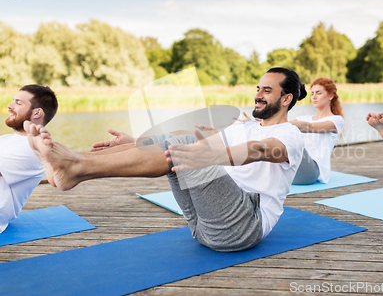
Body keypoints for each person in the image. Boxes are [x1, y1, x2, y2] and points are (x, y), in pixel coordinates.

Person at [25, 68, 306, 252]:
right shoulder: (242, 126)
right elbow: (188, 140)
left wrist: (216, 154)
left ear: (286, 99)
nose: (257, 94)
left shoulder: (290, 134)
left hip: (242, 227)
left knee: (182, 144)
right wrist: (136, 143)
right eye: (258, 88)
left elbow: (262, 149)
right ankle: (74, 162)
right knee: (175, 138)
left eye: (267, 91)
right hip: (203, 224)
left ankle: (74, 166)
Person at [0, 85, 58, 233]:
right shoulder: (7, 139)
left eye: (18, 103)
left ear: (37, 112)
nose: (9, 106)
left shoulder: (32, 148)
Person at [289, 78, 344, 184]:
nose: (314, 97)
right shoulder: (303, 118)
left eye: (318, 93)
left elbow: (310, 127)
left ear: (331, 95)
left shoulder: (336, 120)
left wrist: (276, 123)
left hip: (312, 172)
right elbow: (281, 126)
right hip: (294, 171)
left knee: (291, 140)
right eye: (312, 93)